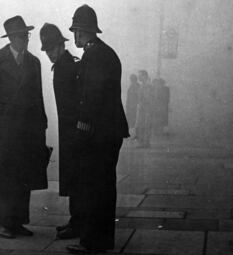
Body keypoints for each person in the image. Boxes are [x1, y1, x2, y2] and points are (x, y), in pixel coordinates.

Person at [66, 5, 129, 253]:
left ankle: (93, 242)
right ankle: (99, 240)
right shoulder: (104, 53)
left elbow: (91, 97)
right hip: (109, 130)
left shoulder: (95, 56)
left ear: (82, 32)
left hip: (99, 133)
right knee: (102, 186)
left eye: (75, 31)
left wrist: (82, 128)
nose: (74, 36)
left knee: (95, 187)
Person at [0, 16, 48, 239]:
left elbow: (38, 97)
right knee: (6, 177)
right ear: (11, 37)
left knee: (24, 176)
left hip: (28, 129)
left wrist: (42, 126)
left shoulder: (34, 62)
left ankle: (18, 222)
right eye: (21, 35)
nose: (25, 39)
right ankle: (3, 223)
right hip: (5, 128)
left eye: (26, 35)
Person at [39, 23, 82, 239]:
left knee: (76, 178)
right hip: (69, 130)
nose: (48, 54)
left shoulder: (68, 66)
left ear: (60, 45)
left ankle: (78, 223)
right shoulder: (65, 64)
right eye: (45, 51)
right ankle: (76, 220)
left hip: (74, 131)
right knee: (73, 177)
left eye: (50, 49)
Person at [135, 70, 154, 148]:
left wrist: (143, 104)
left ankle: (145, 143)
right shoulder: (142, 85)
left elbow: (149, 98)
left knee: (146, 125)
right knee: (140, 125)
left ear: (145, 76)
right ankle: (142, 142)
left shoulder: (148, 85)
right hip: (142, 108)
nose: (139, 77)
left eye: (140, 75)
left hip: (146, 108)